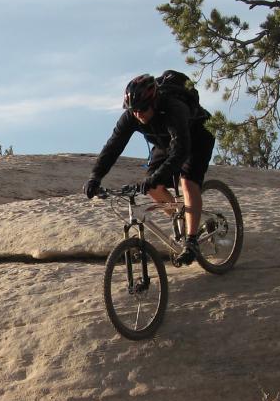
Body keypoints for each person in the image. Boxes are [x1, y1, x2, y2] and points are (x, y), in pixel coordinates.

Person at [84, 72, 216, 265]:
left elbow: (181, 151)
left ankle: (192, 241)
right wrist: (95, 176)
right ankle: (188, 221)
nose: (138, 114)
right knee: (153, 187)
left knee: (187, 182)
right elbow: (113, 146)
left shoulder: (173, 108)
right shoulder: (133, 115)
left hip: (197, 136)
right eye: (133, 110)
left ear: (154, 102)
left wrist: (158, 176)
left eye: (142, 109)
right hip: (166, 143)